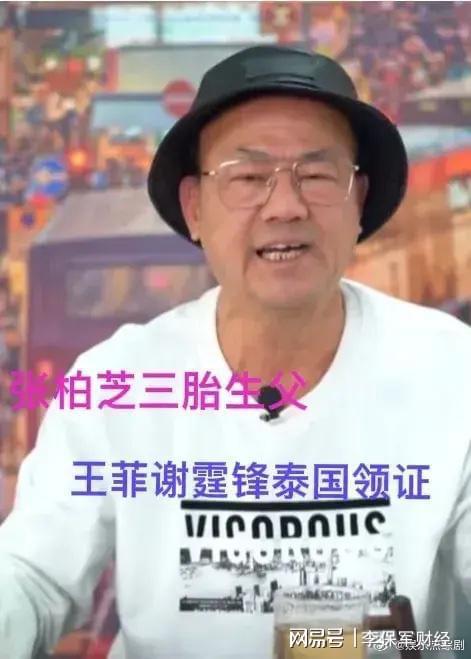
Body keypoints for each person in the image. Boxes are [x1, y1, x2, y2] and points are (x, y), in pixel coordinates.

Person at [0, 45, 470, 659]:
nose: (286, 206)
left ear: (358, 201)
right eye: (248, 178)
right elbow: (31, 575)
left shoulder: (451, 372)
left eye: (317, 175)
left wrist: (416, 645)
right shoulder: (118, 383)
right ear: (194, 208)